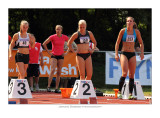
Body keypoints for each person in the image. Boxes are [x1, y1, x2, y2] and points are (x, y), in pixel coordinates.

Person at [115, 16, 144, 99]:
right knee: (124, 73)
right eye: (127, 21)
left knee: (131, 75)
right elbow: (117, 43)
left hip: (132, 54)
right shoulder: (123, 31)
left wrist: (141, 53)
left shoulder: (136, 32)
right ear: (126, 23)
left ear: (133, 23)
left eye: (131, 21)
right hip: (124, 53)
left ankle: (131, 94)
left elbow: (141, 43)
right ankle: (120, 92)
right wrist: (116, 54)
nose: (129, 22)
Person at [43, 25, 69, 93]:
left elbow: (70, 43)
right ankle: (48, 86)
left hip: (61, 56)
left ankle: (57, 88)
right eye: (56, 29)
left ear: (61, 30)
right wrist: (49, 52)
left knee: (59, 72)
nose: (57, 30)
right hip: (54, 55)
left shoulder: (64, 37)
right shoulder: (52, 37)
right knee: (52, 70)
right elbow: (44, 44)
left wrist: (66, 52)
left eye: (59, 29)